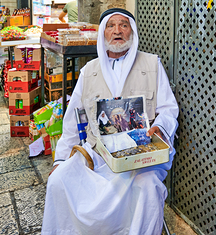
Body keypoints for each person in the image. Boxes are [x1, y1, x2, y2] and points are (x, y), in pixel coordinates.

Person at [41, 8, 179, 235]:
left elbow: (168, 108)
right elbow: (70, 123)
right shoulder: (89, 72)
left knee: (147, 187)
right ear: (103, 33)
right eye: (111, 25)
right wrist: (61, 160)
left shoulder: (152, 64)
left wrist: (161, 129)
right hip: (97, 154)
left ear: (132, 32)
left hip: (140, 156)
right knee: (59, 181)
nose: (117, 31)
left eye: (124, 25)